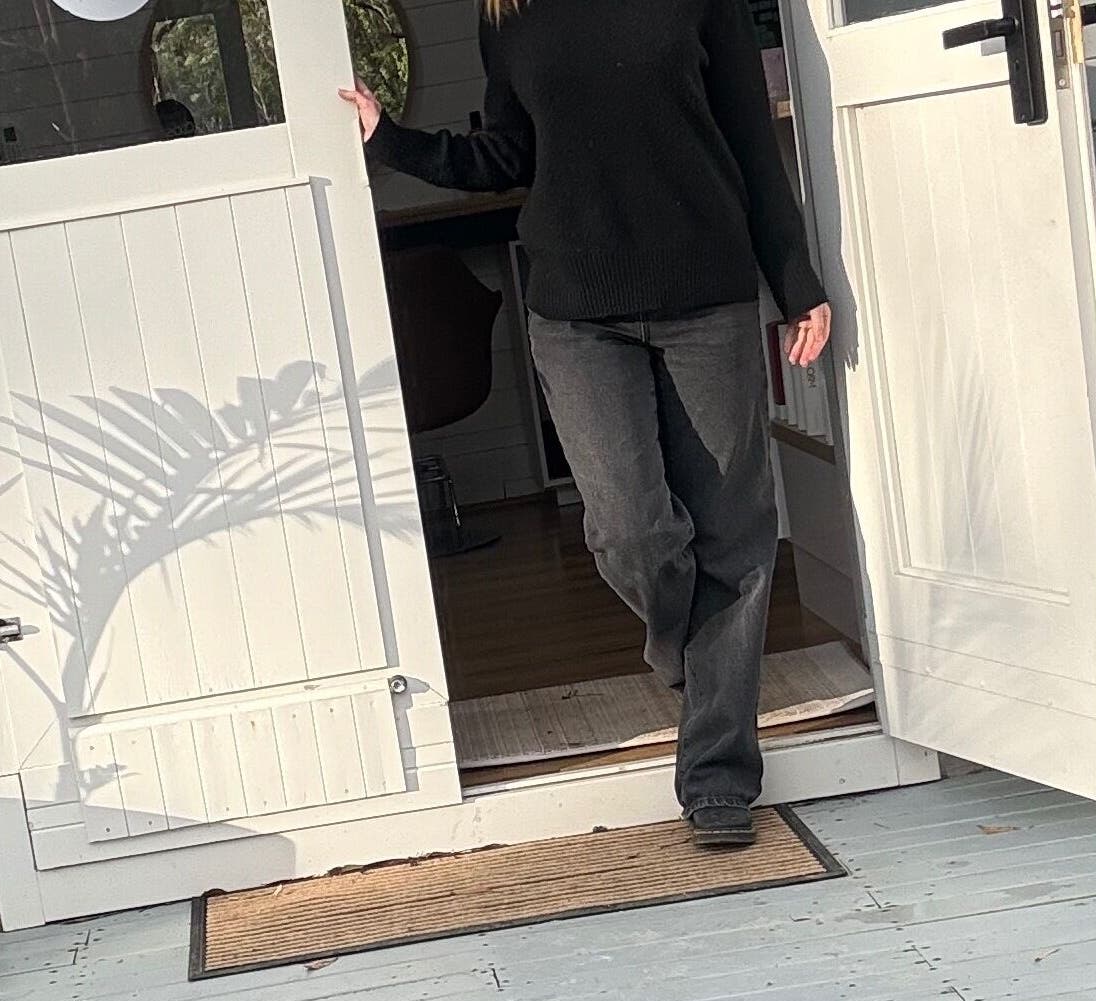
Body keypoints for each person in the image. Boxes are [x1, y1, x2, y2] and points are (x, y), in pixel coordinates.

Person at [342, 0, 832, 849]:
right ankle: (695, 656)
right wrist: (394, 139)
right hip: (577, 311)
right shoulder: (507, 12)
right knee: (630, 529)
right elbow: (508, 153)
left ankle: (718, 774)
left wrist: (796, 282)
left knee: (732, 534)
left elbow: (753, 145)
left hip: (705, 298)